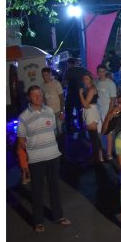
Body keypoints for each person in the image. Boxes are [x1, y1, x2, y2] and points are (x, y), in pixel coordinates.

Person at [17, 85, 71, 232]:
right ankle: (38, 221)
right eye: (34, 95)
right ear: (29, 97)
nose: (38, 97)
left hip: (53, 155)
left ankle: (58, 216)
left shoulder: (49, 111)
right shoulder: (23, 117)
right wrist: (28, 155)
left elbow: (52, 130)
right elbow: (21, 139)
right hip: (36, 159)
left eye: (40, 94)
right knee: (37, 191)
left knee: (55, 188)